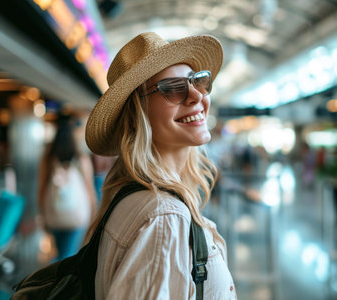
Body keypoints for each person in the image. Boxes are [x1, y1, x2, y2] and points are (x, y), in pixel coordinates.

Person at [84, 32, 236, 299]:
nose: (195, 96)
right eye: (173, 88)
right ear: (136, 116)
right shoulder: (164, 218)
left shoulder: (137, 197)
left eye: (198, 81)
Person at [38, 115, 97, 261]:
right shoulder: (81, 159)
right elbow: (89, 189)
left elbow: (42, 187)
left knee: (60, 252)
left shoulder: (49, 158)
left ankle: (55, 277)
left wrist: (43, 213)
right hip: (77, 216)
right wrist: (94, 213)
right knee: (68, 255)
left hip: (53, 214)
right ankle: (58, 281)